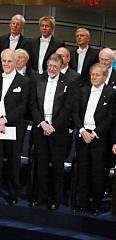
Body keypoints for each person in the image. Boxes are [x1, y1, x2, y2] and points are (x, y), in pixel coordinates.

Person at [0, 49, 31, 204]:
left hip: (12, 127)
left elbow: (23, 106)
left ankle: (12, 192)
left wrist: (4, 120)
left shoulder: (24, 82)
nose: (6, 64)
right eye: (4, 61)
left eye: (9, 61)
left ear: (16, 62)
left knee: (13, 161)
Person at [29, 54, 73, 210]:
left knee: (57, 168)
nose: (51, 69)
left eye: (55, 66)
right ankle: (39, 198)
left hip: (58, 131)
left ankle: (55, 200)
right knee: (40, 166)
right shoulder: (37, 79)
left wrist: (53, 126)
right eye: (49, 65)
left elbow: (68, 108)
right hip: (40, 128)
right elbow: (32, 104)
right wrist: (42, 123)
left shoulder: (69, 82)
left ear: (61, 67)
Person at [72, 63, 116, 213]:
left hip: (99, 139)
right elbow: (75, 113)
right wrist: (83, 130)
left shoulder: (111, 93)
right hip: (82, 136)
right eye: (92, 75)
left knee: (97, 173)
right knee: (82, 171)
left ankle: (96, 204)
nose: (94, 77)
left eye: (97, 75)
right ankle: (82, 202)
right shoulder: (82, 91)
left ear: (104, 77)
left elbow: (110, 117)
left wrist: (95, 133)